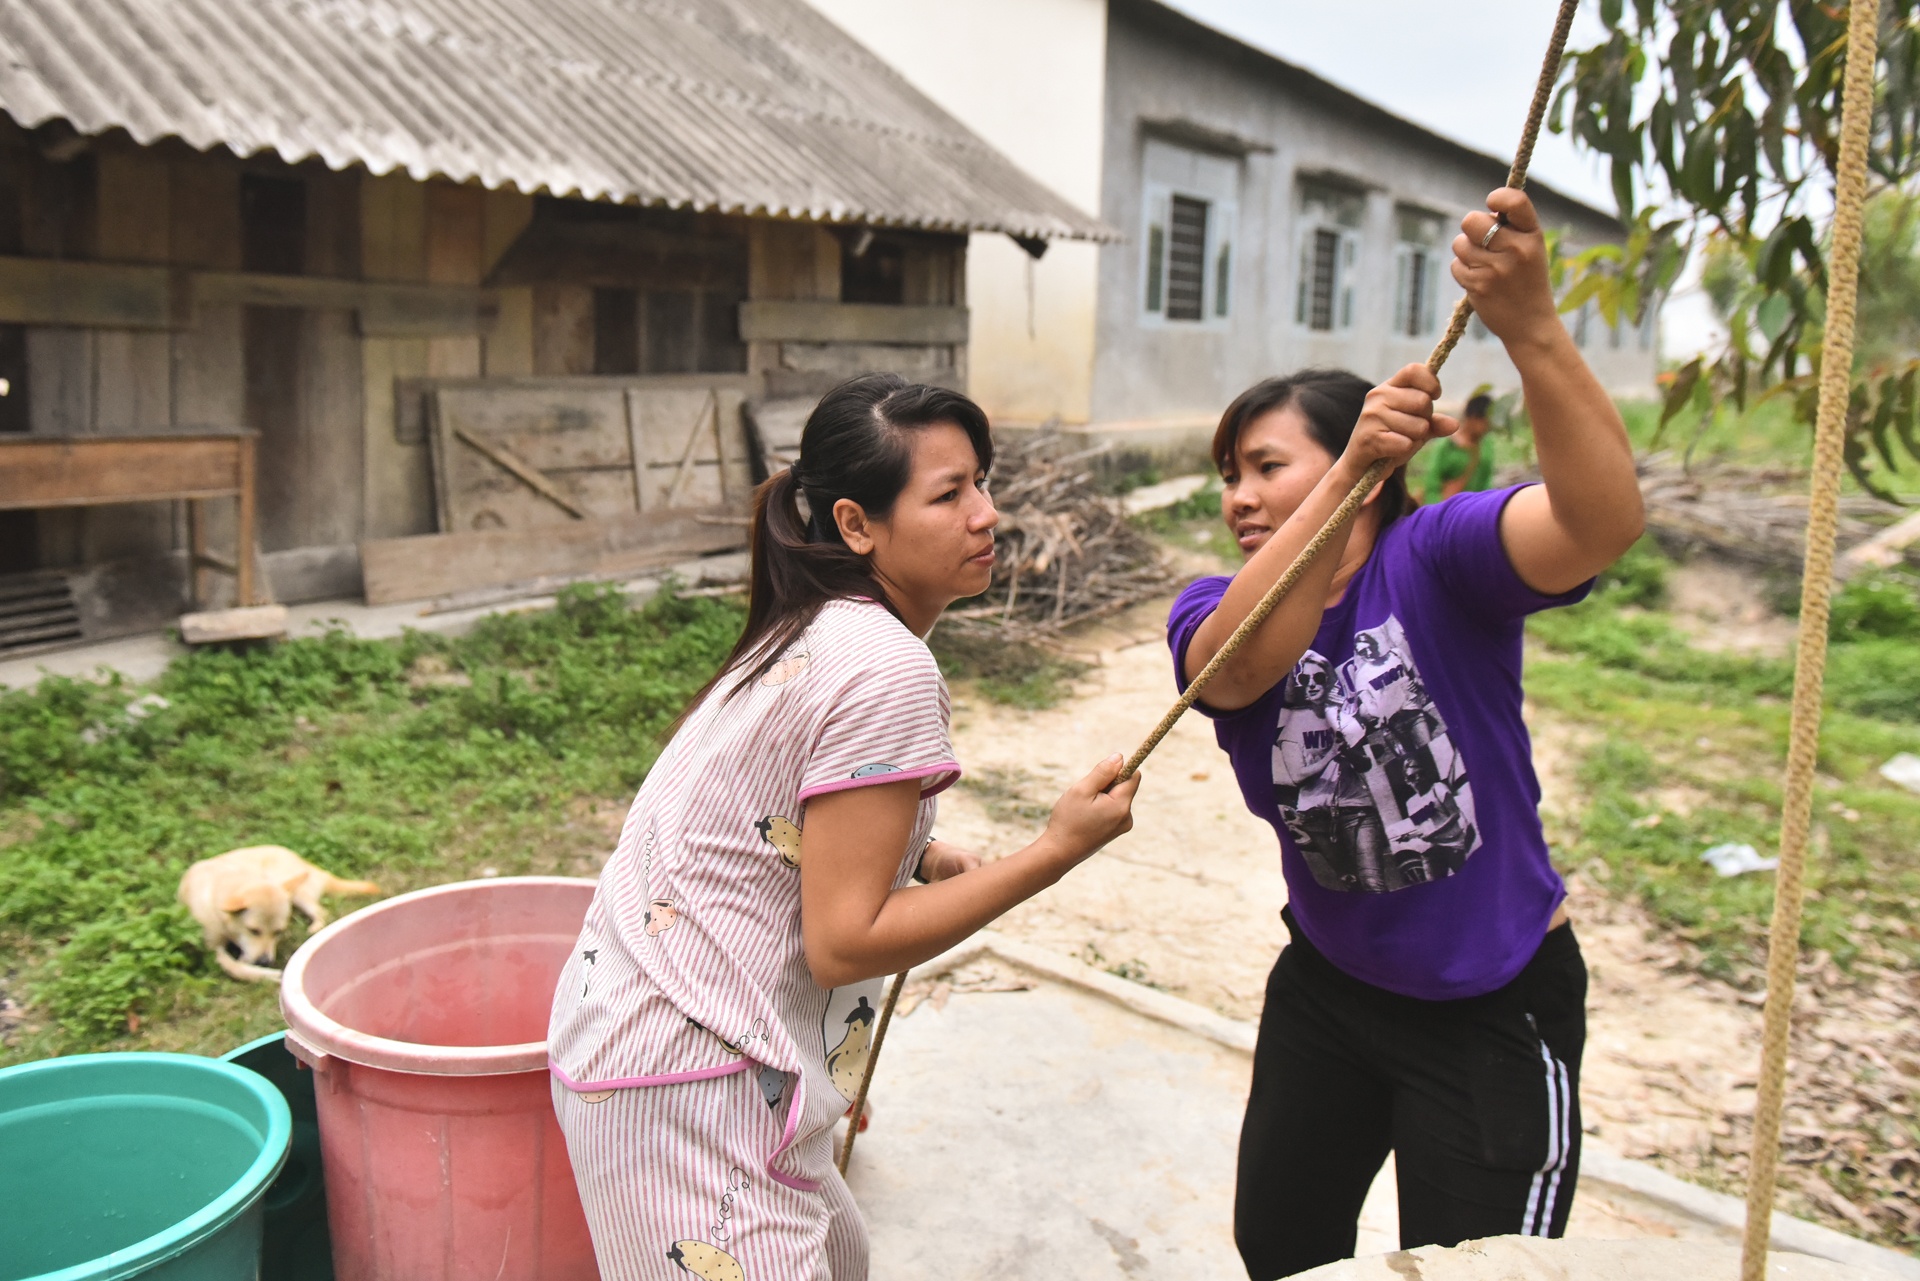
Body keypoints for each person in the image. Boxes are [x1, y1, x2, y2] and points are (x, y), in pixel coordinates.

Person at [547, 374, 1141, 1281]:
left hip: (652, 1041)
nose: (986, 513)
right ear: (858, 525)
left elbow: (766, 813)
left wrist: (916, 852)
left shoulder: (818, 624)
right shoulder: (885, 665)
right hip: (690, 1078)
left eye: (981, 482)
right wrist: (1053, 851)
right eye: (949, 493)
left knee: (839, 1254)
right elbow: (846, 942)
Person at [1168, 188, 1643, 1279]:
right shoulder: (1210, 607)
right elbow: (1238, 670)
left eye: (1268, 466)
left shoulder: (1440, 556)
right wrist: (1341, 479)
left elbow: (1599, 523)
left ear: (1375, 469)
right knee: (1280, 1247)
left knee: (1479, 1271)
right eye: (1231, 475)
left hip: (1493, 1004)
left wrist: (1531, 328)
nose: (1240, 496)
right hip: (1327, 989)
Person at [1417, 392, 1496, 502]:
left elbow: (1486, 482)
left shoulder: (1486, 445)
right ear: (1473, 418)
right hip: (1447, 506)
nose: (1489, 426)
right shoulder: (1446, 446)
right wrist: (1439, 507)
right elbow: (1432, 484)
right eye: (1486, 421)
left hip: (1475, 506)